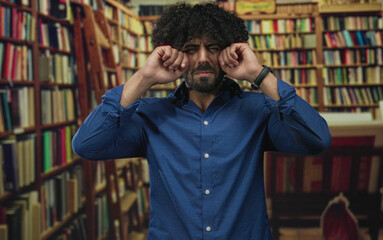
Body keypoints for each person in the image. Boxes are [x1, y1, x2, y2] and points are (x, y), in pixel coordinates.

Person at [72, 3, 331, 239]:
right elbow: (86, 145)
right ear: (174, 55)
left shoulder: (258, 109)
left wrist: (257, 74)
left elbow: (317, 139)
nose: (204, 58)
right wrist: (144, 77)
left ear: (229, 52)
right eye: (191, 49)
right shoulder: (150, 115)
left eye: (214, 48)